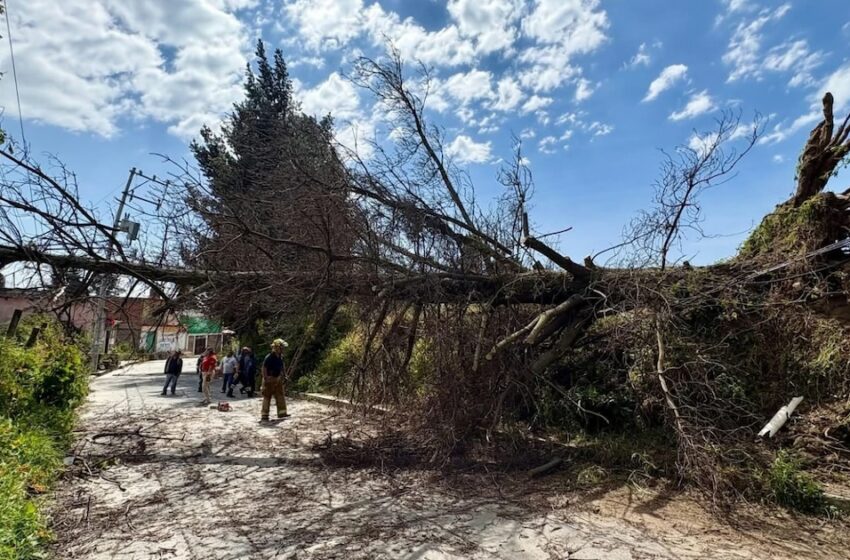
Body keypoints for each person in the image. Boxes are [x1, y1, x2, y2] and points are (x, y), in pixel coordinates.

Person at [261, 339, 289, 421]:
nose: (283, 349)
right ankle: (264, 415)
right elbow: (264, 368)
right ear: (277, 348)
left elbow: (282, 366)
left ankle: (282, 413)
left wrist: (285, 375)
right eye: (282, 348)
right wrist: (266, 378)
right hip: (269, 378)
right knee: (267, 397)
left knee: (280, 395)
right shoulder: (269, 357)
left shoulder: (280, 356)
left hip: (278, 378)